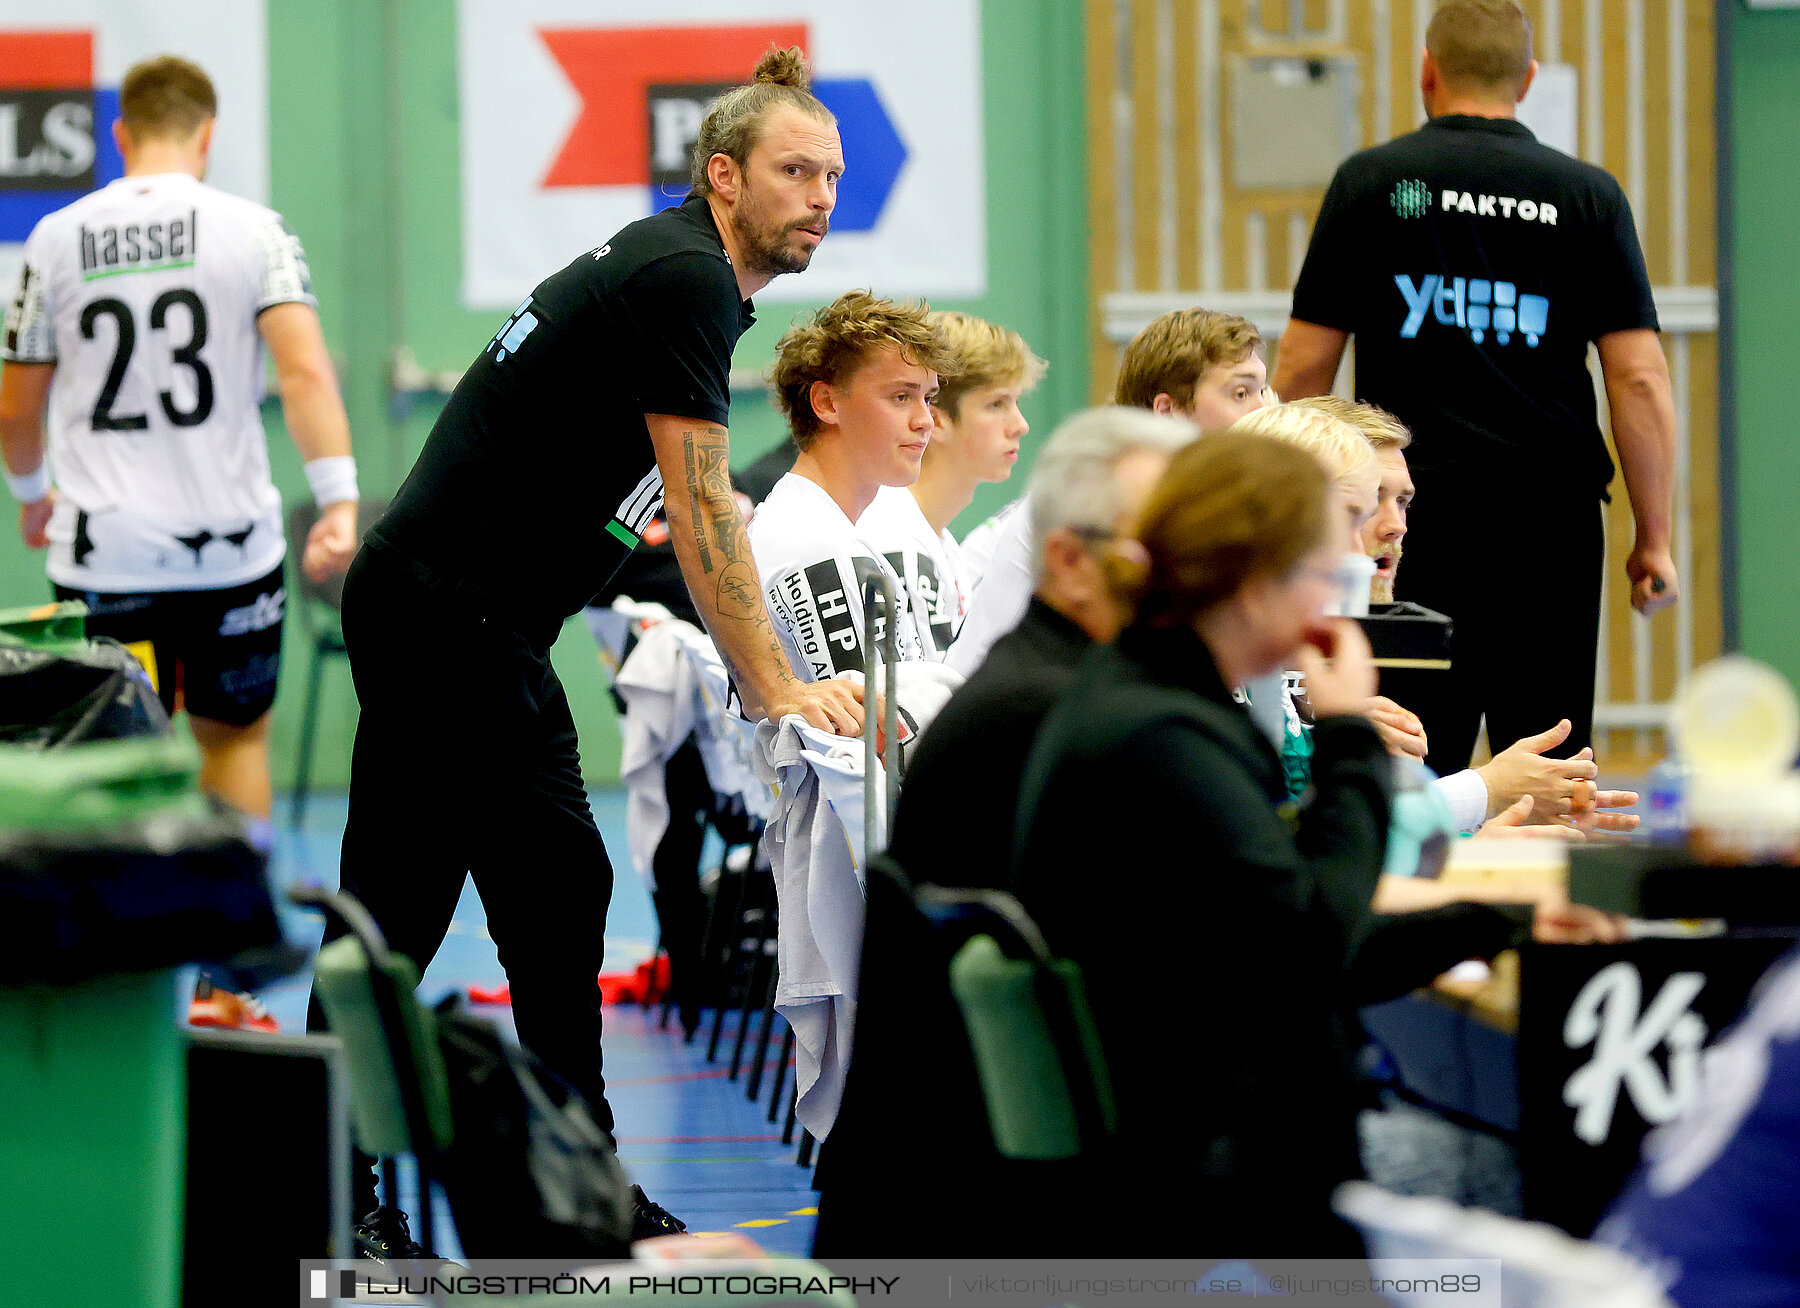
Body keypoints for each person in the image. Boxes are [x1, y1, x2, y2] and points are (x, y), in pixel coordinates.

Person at [320, 48, 851, 1255]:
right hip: (444, 619)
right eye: (793, 171)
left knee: (560, 897)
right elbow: (705, 503)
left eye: (831, 174)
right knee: (395, 915)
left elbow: (657, 511)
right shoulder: (683, 281)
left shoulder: (676, 273)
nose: (820, 195)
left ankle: (572, 1199)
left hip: (486, 627)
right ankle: (338, 1197)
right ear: (724, 177)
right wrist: (777, 692)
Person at [0, 56, 358, 1033]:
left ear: (122, 135)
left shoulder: (59, 237)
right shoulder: (254, 230)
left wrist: (32, 495)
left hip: (103, 551)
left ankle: (120, 984)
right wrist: (338, 499)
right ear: (206, 133)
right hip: (229, 553)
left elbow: (16, 404)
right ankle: (227, 978)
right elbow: (304, 372)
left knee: (106, 752)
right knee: (231, 737)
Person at [1273, 0, 1678, 775]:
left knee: (1407, 756)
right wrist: (1652, 536)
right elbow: (1639, 378)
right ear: (1526, 80)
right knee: (1550, 766)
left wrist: (1283, 518)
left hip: (1411, 519)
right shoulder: (1587, 195)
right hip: (1548, 525)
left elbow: (1300, 368)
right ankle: (1547, 899)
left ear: (1428, 71)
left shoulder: (1372, 182)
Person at [1010, 431, 1391, 1253]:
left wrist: (1502, 931)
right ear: (1255, 588)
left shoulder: (1147, 699)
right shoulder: (1160, 736)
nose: (1332, 607)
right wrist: (1353, 736)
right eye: (1323, 578)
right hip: (1206, 1174)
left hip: (1187, 1135)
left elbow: (1270, 914)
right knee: (1507, 1173)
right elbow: (1314, 939)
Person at [944, 306, 1267, 678]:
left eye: (1262, 390)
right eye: (1241, 393)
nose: (1261, 412)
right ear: (1168, 409)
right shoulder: (1094, 500)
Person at [749, 290, 960, 688]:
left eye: (928, 398)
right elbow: (880, 739)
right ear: (827, 403)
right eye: (901, 397)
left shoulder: (823, 525)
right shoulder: (815, 543)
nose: (925, 420)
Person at [856, 311, 1044, 658]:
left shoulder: (938, 542)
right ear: (936, 420)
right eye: (996, 404)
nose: (1020, 425)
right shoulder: (898, 541)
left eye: (1015, 402)